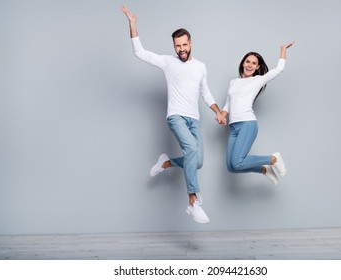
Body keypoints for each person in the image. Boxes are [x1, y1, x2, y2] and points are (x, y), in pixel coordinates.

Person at [121, 5, 225, 224]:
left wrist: (218, 112)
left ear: (191, 43)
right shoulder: (168, 62)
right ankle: (193, 202)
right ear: (174, 47)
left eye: (184, 44)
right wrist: (132, 25)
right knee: (191, 149)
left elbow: (205, 93)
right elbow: (140, 52)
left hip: (194, 119)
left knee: (197, 161)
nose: (181, 49)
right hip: (176, 116)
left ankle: (166, 162)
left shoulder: (201, 67)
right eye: (178, 46)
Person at [221, 42, 294, 186]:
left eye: (254, 63)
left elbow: (279, 69)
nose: (249, 65)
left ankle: (273, 159)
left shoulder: (258, 80)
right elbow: (227, 105)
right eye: (247, 61)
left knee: (237, 162)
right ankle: (264, 169)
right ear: (243, 63)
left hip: (247, 124)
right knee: (231, 167)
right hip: (234, 128)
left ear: (257, 67)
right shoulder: (233, 82)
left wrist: (283, 50)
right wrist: (222, 115)